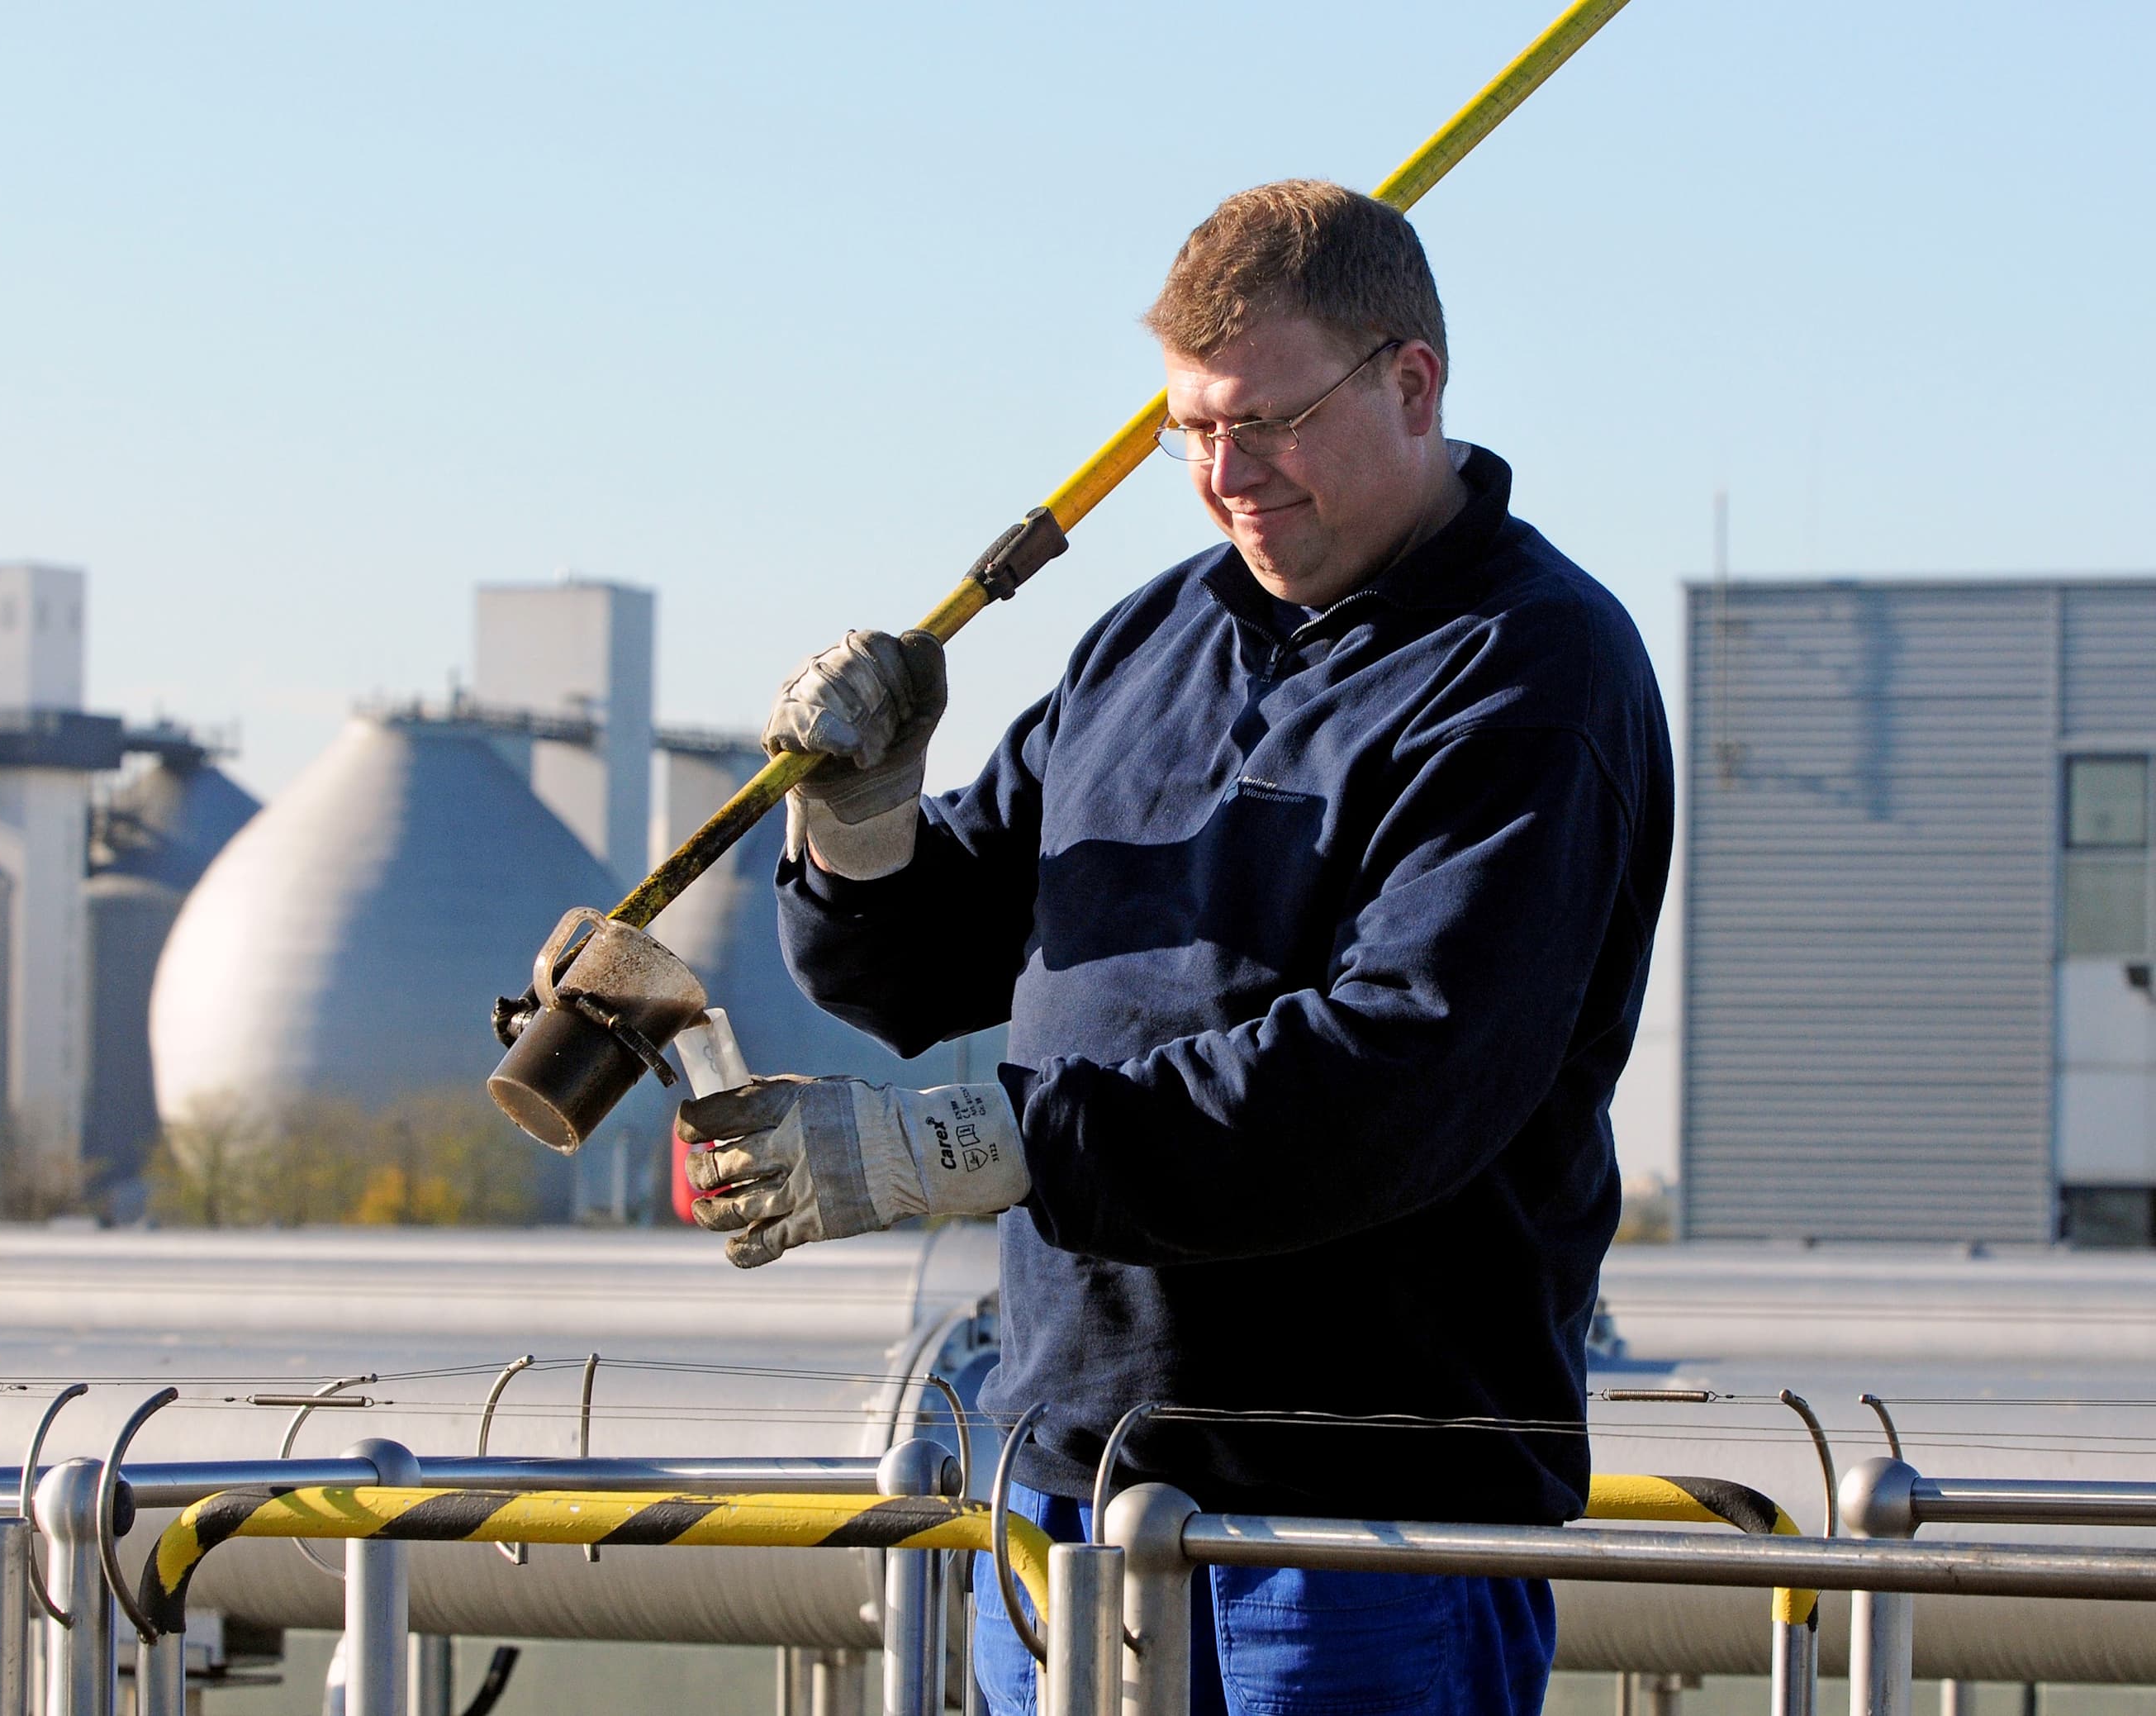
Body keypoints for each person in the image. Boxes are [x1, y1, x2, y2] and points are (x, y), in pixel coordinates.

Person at [677, 179, 1673, 1715]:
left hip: (1360, 1520)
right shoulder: (1150, 643)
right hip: (1064, 1490)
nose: (1225, 476)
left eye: (1268, 422)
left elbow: (1394, 1078)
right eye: (1189, 430)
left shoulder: (1530, 673)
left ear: (1414, 384)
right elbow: (929, 965)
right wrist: (862, 830)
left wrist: (974, 1145)